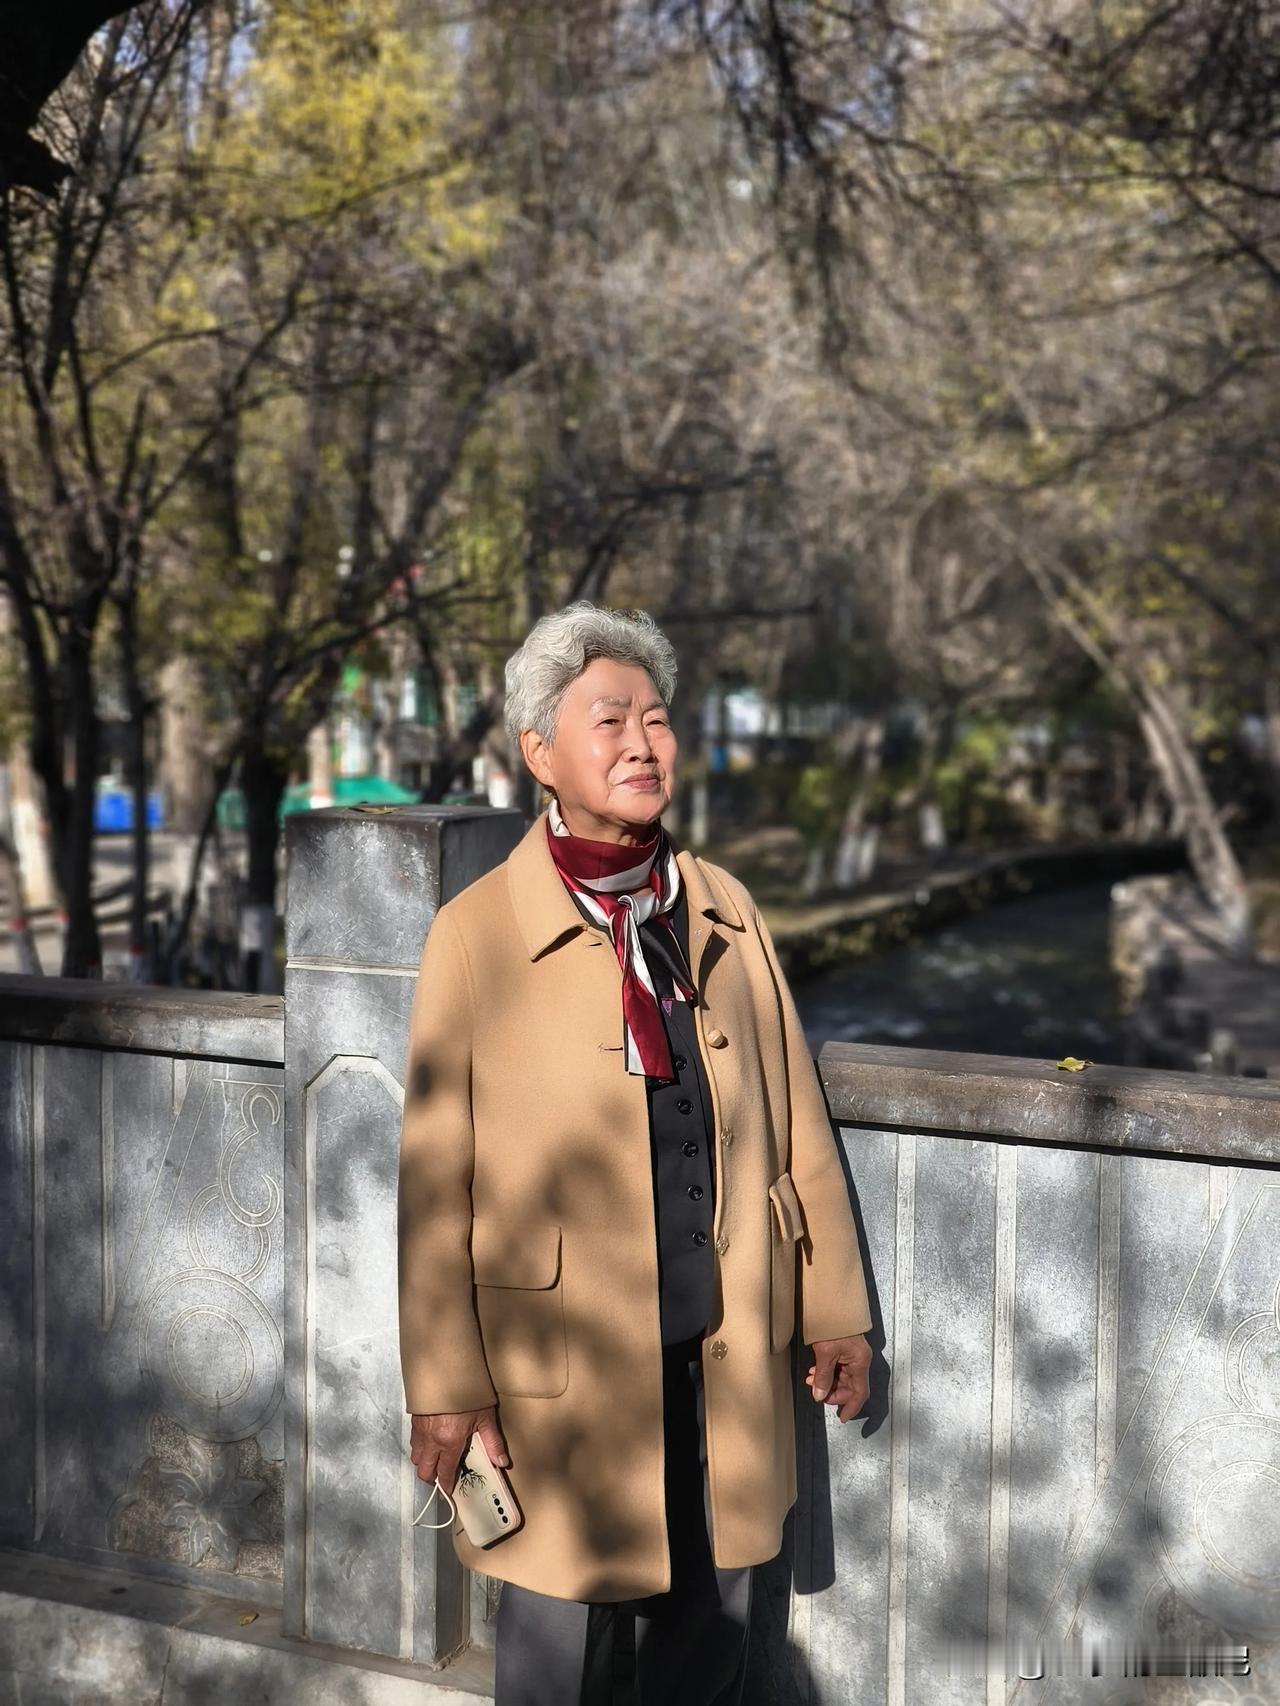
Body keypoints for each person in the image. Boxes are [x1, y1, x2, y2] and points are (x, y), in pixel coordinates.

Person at [397, 600, 873, 1706]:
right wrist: (446, 1384)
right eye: (607, 720)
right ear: (540, 755)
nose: (641, 744)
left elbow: (795, 1123)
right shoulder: (474, 935)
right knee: (558, 1650)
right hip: (559, 1372)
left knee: (707, 1639)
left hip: (724, 1349)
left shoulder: (721, 909)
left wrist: (835, 1309)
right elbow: (433, 1184)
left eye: (655, 719)